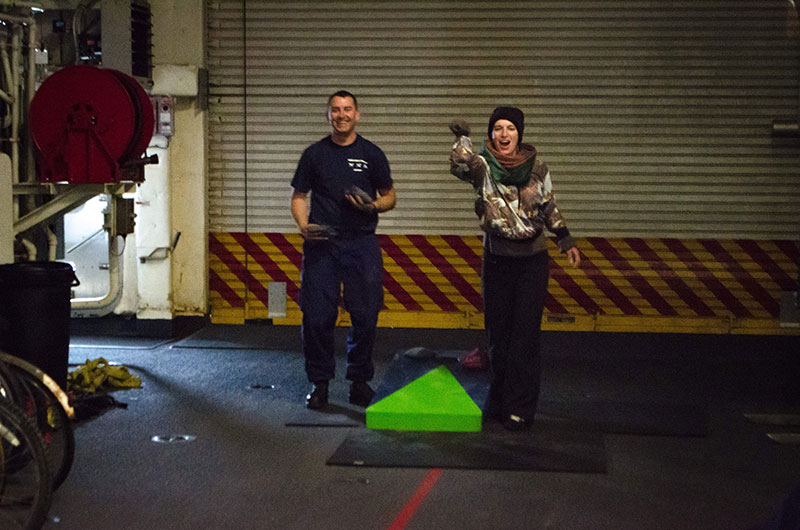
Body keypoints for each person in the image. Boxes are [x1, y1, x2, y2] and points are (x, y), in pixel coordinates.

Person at [449, 106, 581, 431]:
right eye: (498, 128)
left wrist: (565, 238)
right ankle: (500, 400)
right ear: (491, 133)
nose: (504, 134)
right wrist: (461, 138)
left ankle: (520, 408)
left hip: (531, 262)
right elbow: (459, 163)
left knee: (524, 337)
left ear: (519, 134)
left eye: (510, 128)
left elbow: (549, 205)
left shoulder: (537, 166)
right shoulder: (482, 165)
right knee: (498, 337)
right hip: (497, 260)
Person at [290, 90, 396, 410]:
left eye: (347, 109)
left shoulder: (372, 154)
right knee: (317, 317)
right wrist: (303, 225)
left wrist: (372, 205)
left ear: (357, 115)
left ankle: (359, 382)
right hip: (323, 245)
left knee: (365, 316)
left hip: (361, 244)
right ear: (328, 116)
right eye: (335, 110)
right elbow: (298, 195)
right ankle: (319, 383)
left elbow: (389, 196)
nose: (342, 115)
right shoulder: (314, 154)